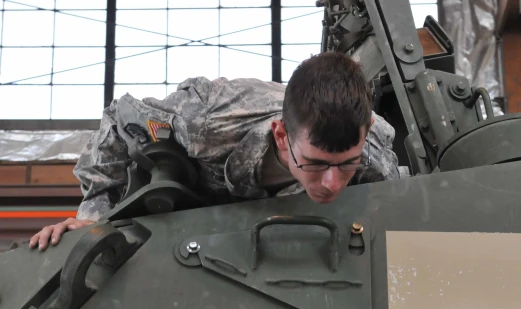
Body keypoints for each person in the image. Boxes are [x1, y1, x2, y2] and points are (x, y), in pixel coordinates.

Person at [30, 51, 408, 251]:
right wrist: (93, 218)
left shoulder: (375, 160)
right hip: (184, 214)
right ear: (280, 135)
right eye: (315, 163)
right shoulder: (208, 120)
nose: (331, 183)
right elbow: (117, 120)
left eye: (346, 166)